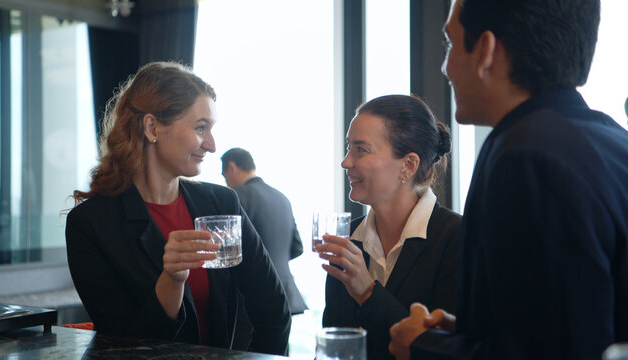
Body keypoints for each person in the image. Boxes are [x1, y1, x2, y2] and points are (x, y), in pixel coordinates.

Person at [388, 0, 628, 359]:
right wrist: (475, 329)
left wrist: (423, 347)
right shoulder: (612, 140)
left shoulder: (525, 156)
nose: (445, 67)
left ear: (485, 50)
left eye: (451, 44)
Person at [65, 61, 291, 355]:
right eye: (200, 128)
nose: (211, 145)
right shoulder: (91, 223)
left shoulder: (222, 203)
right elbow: (122, 346)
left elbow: (273, 309)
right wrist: (171, 279)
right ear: (152, 127)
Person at [319, 94, 461, 360]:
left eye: (361, 149)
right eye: (349, 148)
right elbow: (333, 345)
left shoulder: (457, 237)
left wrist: (367, 292)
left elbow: (443, 351)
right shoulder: (348, 239)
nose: (346, 162)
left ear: (408, 165)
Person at [220, 147, 308, 315]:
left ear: (231, 167)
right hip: (285, 291)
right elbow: (297, 248)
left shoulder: (235, 196)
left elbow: (226, 250)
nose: (226, 182)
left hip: (250, 295)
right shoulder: (282, 198)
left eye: (224, 176)